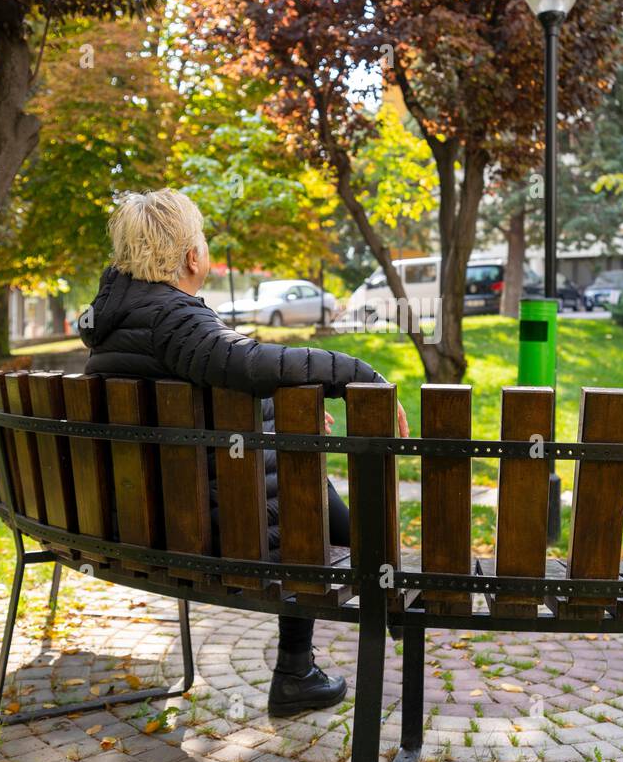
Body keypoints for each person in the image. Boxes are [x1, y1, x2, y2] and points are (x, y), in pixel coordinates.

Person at [78, 189, 408, 716]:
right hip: (210, 527)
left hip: (144, 519)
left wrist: (275, 413)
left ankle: (342, 632)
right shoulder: (172, 318)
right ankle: (314, 660)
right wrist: (357, 376)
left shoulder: (114, 324)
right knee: (318, 508)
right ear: (192, 256)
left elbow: (197, 391)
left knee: (323, 500)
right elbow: (246, 364)